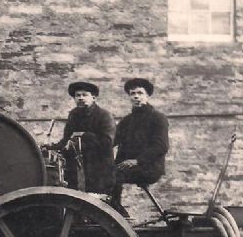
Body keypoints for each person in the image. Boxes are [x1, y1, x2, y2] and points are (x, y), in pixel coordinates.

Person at [110, 78, 169, 217]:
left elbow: (161, 146)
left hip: (149, 167)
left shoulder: (158, 118)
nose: (136, 96)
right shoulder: (127, 120)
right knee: (102, 172)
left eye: (140, 93)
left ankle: (118, 214)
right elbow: (112, 141)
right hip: (128, 165)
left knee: (112, 175)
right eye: (132, 93)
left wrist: (137, 160)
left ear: (147, 96)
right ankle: (112, 207)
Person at [45, 81, 116, 193]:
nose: (81, 98)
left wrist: (84, 135)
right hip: (76, 169)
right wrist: (51, 147)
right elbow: (66, 140)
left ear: (93, 97)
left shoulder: (104, 116)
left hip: (99, 169)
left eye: (85, 95)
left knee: (100, 203)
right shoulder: (74, 115)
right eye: (78, 95)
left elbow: (107, 142)